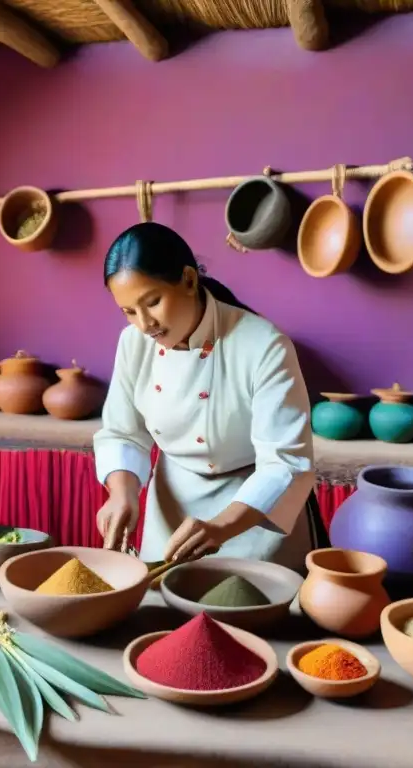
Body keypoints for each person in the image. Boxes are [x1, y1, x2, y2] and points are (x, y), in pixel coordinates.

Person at [93, 221, 319, 568]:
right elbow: (122, 432)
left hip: (252, 511)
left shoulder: (264, 345)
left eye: (152, 302)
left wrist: (223, 526)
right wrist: (122, 494)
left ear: (188, 279)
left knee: (249, 615)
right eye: (128, 311)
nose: (144, 324)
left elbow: (285, 463)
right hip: (171, 505)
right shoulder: (133, 343)